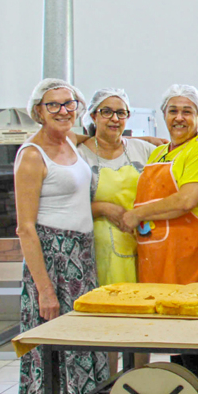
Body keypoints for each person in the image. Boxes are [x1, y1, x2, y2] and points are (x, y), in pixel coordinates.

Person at [121, 84, 198, 386]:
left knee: (193, 339)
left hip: (190, 254)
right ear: (163, 116)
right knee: (173, 338)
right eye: (173, 111)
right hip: (156, 255)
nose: (179, 117)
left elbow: (185, 201)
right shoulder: (158, 153)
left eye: (187, 111)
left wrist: (137, 214)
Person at [15, 79, 109, 394]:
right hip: (53, 259)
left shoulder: (70, 140)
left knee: (81, 341)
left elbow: (104, 137)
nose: (63, 110)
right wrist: (44, 289)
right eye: (53, 105)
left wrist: (152, 139)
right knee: (56, 342)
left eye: (69, 103)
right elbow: (25, 228)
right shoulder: (32, 155)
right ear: (38, 111)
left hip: (80, 258)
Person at [77, 88, 158, 375]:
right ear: (93, 116)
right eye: (106, 112)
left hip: (143, 243)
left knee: (141, 319)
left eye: (121, 112)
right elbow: (65, 204)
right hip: (100, 246)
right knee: (109, 319)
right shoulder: (79, 153)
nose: (114, 118)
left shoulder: (142, 149)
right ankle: (110, 390)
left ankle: (135, 386)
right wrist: (102, 208)